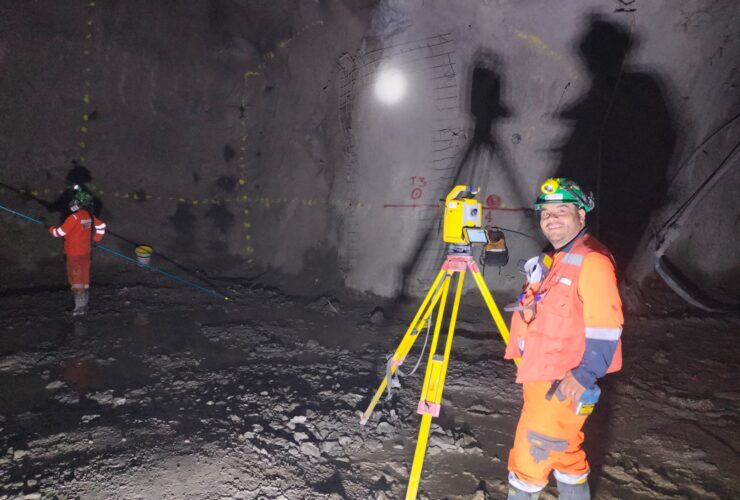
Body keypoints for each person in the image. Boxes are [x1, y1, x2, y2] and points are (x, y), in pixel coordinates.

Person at [503, 178, 623, 499]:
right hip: (545, 379)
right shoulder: (557, 257)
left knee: (529, 462)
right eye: (546, 213)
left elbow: (606, 325)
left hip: (560, 385)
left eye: (562, 210)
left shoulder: (592, 260)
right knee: (567, 456)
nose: (551, 218)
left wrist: (584, 375)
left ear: (581, 216)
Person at [48, 190, 106, 316]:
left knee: (76, 277)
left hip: (73, 252)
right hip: (86, 251)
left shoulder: (73, 217)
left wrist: (49, 228)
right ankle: (84, 305)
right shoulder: (89, 216)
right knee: (84, 276)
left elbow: (59, 233)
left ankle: (79, 309)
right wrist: (96, 240)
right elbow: (101, 226)